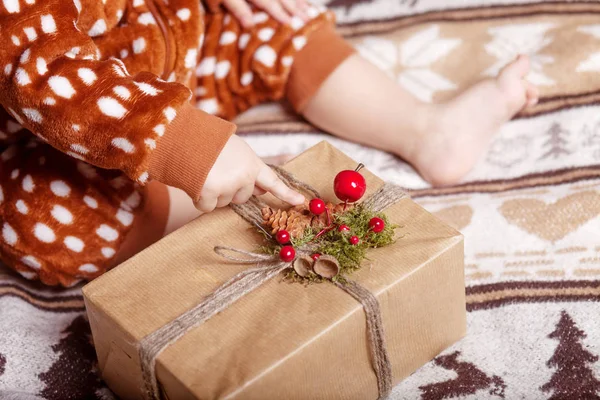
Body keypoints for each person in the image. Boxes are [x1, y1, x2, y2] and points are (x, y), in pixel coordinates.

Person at [0, 0, 537, 286]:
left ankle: (425, 129)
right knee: (41, 222)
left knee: (269, 15)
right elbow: (37, 68)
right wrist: (179, 139)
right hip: (49, 123)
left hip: (168, 43)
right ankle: (212, 210)